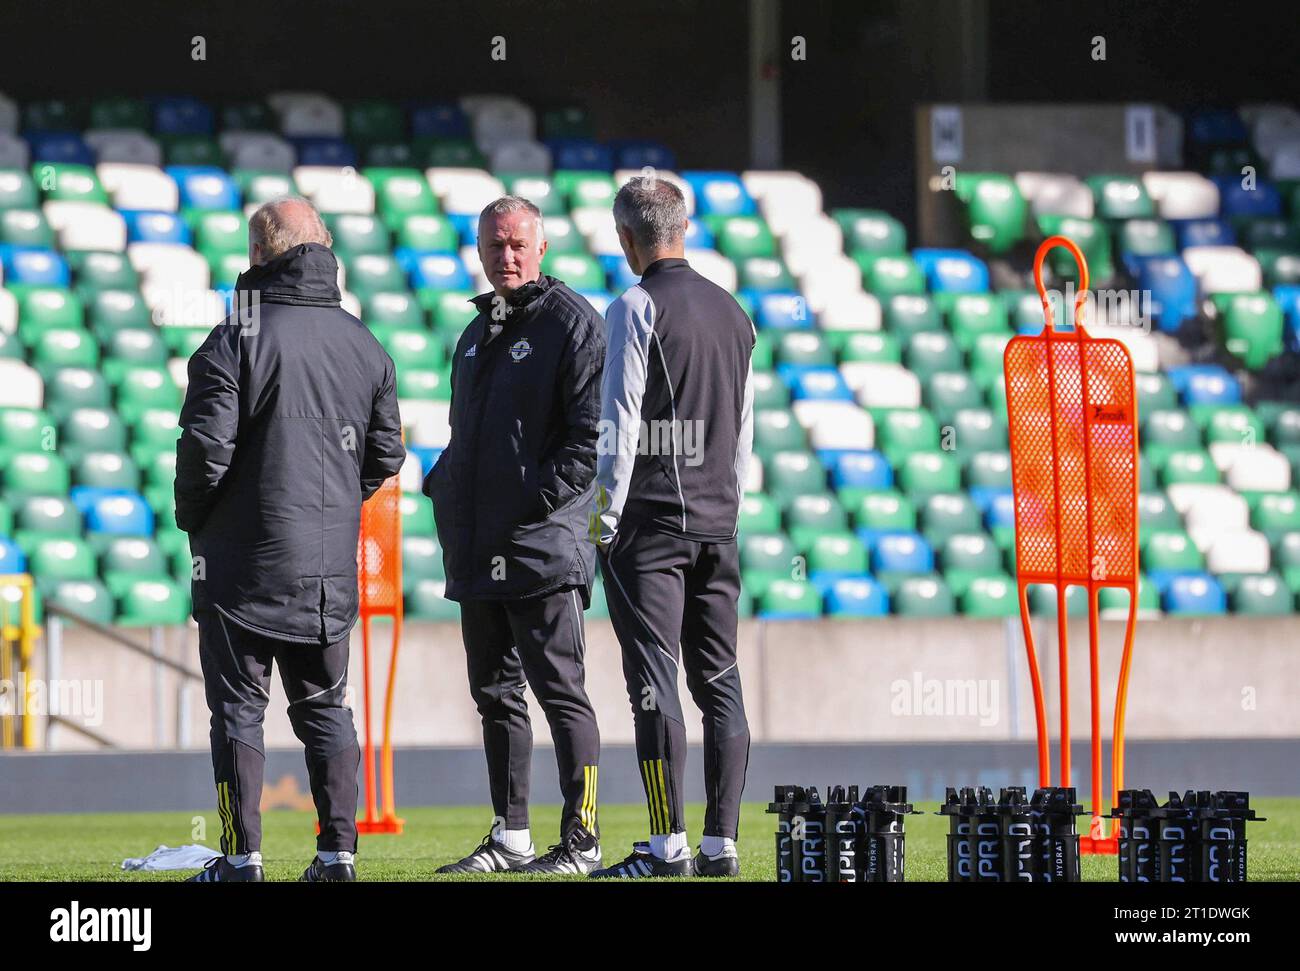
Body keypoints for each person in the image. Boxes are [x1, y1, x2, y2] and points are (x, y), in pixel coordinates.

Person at [176, 198, 405, 882]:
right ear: (322, 249)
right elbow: (385, 456)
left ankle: (242, 858)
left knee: (238, 711)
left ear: (257, 256)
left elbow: (204, 457)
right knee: (326, 707)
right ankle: (337, 856)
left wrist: (200, 520)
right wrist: (330, 508)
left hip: (241, 569)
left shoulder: (234, 337)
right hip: (327, 571)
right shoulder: (363, 341)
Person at [424, 196, 605, 874]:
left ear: (542, 247)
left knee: (561, 692)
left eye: (518, 244)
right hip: (478, 547)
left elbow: (589, 441)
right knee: (495, 695)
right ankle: (511, 835)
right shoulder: (474, 336)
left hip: (541, 547)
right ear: (478, 248)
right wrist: (445, 484)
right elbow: (463, 437)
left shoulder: (573, 325)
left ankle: (582, 840)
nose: (507, 256)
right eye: (495, 245)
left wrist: (534, 505)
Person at [589, 175, 755, 878]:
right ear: (683, 227)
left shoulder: (634, 305)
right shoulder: (735, 312)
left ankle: (667, 847)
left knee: (653, 681)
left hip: (650, 530)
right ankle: (722, 844)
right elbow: (744, 432)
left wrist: (601, 520)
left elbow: (619, 427)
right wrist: (727, 510)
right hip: (718, 524)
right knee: (720, 681)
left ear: (628, 239)